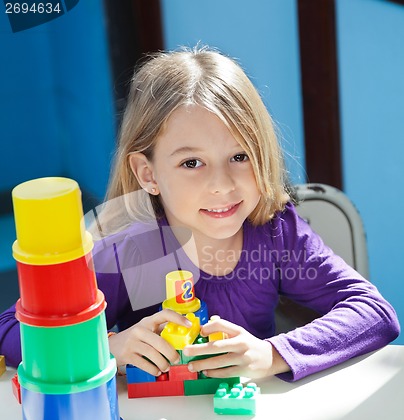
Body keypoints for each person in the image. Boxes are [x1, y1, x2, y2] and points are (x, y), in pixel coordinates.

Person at [0, 46, 400, 381]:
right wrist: (106, 347)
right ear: (148, 173)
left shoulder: (276, 233)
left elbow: (374, 312)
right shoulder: (129, 246)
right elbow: (9, 331)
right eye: (192, 163)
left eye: (240, 156)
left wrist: (271, 355)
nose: (222, 184)